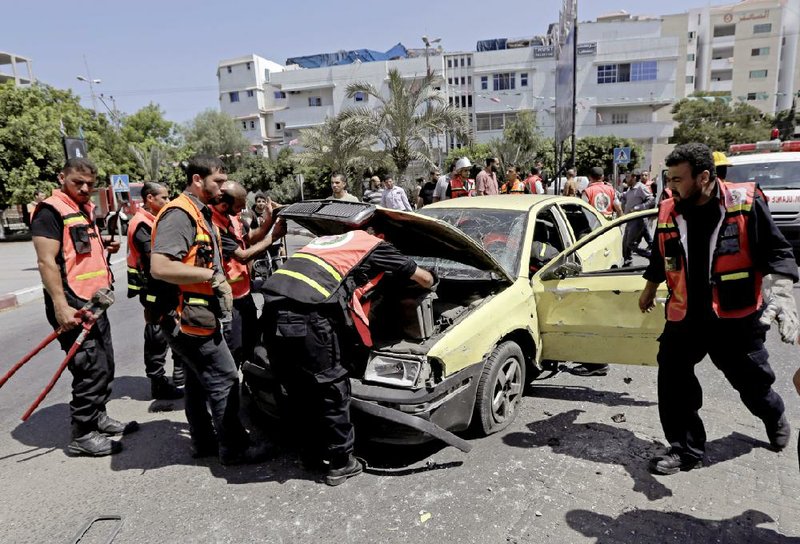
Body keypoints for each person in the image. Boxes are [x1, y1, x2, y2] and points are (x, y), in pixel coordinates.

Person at [638, 143, 797, 475]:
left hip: (734, 317)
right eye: (669, 177)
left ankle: (773, 414)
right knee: (673, 380)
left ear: (704, 177)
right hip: (685, 315)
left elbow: (777, 251)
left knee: (753, 384)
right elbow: (660, 253)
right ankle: (685, 449)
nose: (671, 186)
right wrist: (650, 287)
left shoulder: (745, 203)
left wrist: (782, 292)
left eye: (679, 179)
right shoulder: (669, 208)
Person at [262, 225, 435, 485]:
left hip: (272, 312)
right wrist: (433, 280)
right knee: (331, 389)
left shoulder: (328, 241)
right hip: (309, 317)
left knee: (297, 387)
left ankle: (309, 455)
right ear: (375, 232)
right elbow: (421, 277)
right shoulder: (371, 244)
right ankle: (341, 463)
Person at [150, 155, 270, 465]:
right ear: (197, 180)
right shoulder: (180, 214)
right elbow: (160, 266)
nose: (222, 188)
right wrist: (211, 276)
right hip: (187, 317)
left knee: (196, 379)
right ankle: (234, 448)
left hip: (194, 315)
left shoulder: (199, 213)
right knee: (226, 377)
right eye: (217, 181)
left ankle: (203, 441)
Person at [31, 158, 138, 456]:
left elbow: (75, 249)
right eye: (78, 182)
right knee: (89, 367)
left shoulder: (82, 209)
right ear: (62, 177)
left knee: (105, 363)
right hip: (72, 303)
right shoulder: (50, 211)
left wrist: (104, 245)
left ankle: (97, 416)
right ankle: (82, 433)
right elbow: (46, 261)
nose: (85, 188)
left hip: (94, 301)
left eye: (90, 184)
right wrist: (60, 306)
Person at [211, 180, 286, 367]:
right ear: (224, 204)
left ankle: (250, 383)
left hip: (244, 294)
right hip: (229, 300)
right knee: (234, 349)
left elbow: (251, 238)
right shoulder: (214, 225)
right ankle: (231, 389)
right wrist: (274, 237)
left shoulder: (233, 217)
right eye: (239, 205)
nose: (243, 208)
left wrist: (270, 218)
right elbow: (242, 255)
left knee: (251, 344)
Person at [126, 181, 183, 400]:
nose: (168, 202)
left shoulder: (153, 221)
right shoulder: (141, 224)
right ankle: (157, 381)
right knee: (158, 332)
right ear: (150, 199)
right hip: (153, 288)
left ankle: (177, 374)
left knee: (174, 326)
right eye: (164, 198)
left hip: (164, 286)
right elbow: (155, 258)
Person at [620, 169, 655, 267]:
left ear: (634, 177)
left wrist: (638, 208)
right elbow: (627, 197)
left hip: (638, 219)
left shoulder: (641, 187)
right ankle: (627, 262)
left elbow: (651, 200)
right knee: (625, 244)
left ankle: (650, 255)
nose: (626, 179)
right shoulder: (630, 188)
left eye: (628, 177)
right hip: (630, 219)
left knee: (630, 243)